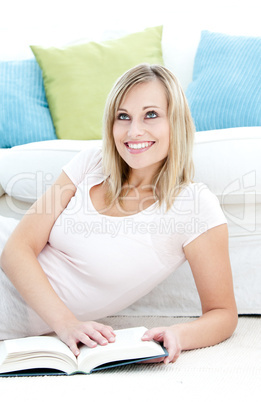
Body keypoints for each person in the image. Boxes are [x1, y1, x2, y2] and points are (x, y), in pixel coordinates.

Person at [0, 63, 238, 364]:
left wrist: (179, 334)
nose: (133, 131)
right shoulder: (91, 164)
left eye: (150, 115)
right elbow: (16, 249)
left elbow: (223, 313)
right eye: (122, 117)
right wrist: (66, 324)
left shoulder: (194, 206)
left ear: (175, 121)